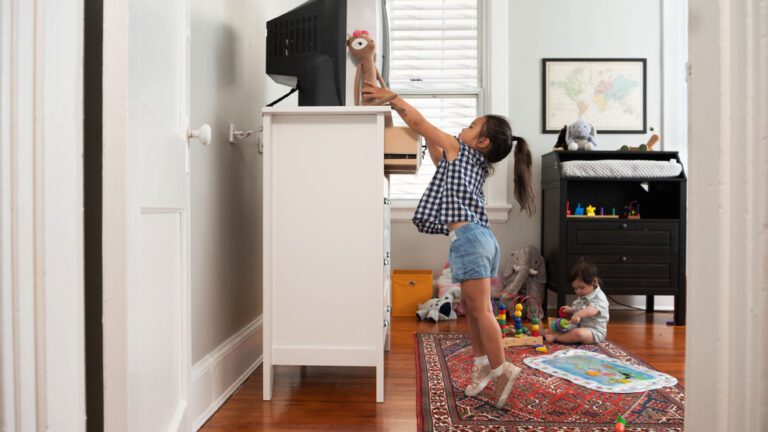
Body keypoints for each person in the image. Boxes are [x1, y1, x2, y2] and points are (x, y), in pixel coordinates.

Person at [363, 82, 535, 408]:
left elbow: (420, 124)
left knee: (481, 310)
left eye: (471, 126)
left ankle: (502, 370)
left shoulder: (462, 150)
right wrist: (429, 131)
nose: (463, 128)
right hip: (478, 239)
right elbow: (435, 150)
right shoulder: (470, 162)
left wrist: (394, 99)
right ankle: (482, 365)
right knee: (472, 309)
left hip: (470, 239)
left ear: (481, 141)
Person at [546, 261, 610, 344]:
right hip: (578, 326)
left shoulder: (599, 297)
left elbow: (591, 309)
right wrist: (572, 310)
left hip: (594, 332)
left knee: (578, 334)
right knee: (560, 327)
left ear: (594, 282)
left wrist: (578, 315)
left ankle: (557, 337)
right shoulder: (585, 293)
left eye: (581, 287)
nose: (578, 291)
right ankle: (544, 332)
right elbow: (581, 308)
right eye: (575, 288)